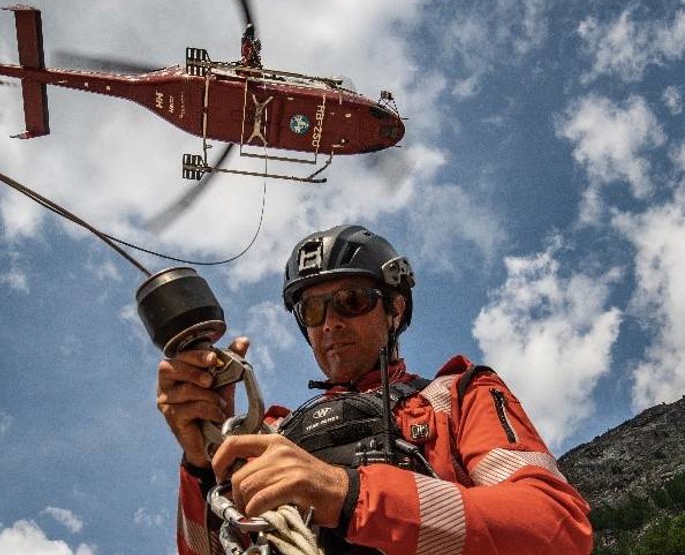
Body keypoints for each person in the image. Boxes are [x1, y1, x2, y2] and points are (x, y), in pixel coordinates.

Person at [156, 224, 593, 554]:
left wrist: (349, 496)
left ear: (393, 310)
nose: (330, 324)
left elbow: (554, 528)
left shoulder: (457, 394)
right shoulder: (274, 433)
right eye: (312, 309)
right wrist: (201, 466)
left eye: (351, 302)